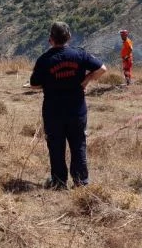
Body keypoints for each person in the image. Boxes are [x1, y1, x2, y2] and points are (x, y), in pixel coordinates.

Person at [29, 22, 107, 190]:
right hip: (77, 110)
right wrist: (85, 81)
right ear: (69, 37)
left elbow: (34, 85)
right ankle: (81, 182)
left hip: (53, 112)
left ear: (51, 40)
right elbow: (102, 69)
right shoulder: (79, 54)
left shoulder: (44, 59)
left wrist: (50, 84)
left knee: (56, 147)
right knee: (78, 145)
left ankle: (58, 182)